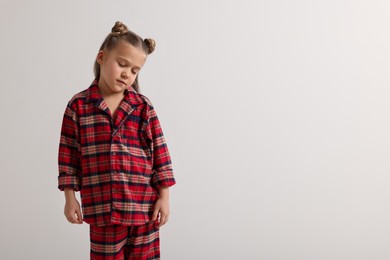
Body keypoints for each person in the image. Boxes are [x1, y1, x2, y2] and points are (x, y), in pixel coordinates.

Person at [57, 21, 176, 260]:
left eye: (134, 70)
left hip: (144, 209)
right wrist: (70, 198)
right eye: (122, 64)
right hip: (103, 211)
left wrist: (164, 197)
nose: (127, 74)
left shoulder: (143, 107)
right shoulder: (78, 106)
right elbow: (68, 157)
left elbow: (160, 155)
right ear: (102, 57)